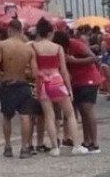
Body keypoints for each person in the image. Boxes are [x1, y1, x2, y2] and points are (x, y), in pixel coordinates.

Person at [29, 18, 81, 156]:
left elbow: (34, 70)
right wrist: (69, 88)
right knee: (70, 114)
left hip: (42, 83)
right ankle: (76, 145)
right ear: (51, 33)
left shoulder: (33, 47)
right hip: (57, 81)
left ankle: (55, 148)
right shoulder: (58, 48)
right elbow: (64, 70)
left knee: (49, 116)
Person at [0, 19, 38, 158]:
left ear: (9, 30)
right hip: (22, 84)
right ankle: (24, 149)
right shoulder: (29, 49)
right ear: (21, 31)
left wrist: (1, 76)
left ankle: (8, 147)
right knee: (25, 116)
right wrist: (24, 73)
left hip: (7, 84)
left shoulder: (2, 45)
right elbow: (34, 73)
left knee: (7, 116)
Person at [58, 28, 103, 154]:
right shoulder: (60, 49)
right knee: (82, 112)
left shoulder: (76, 45)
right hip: (76, 82)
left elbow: (93, 58)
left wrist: (75, 61)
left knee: (87, 109)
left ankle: (94, 142)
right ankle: (87, 141)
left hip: (89, 79)